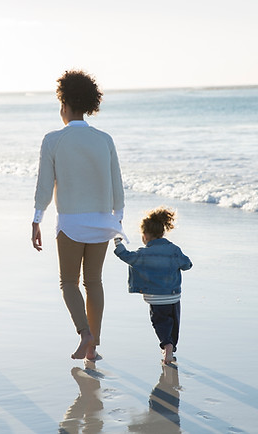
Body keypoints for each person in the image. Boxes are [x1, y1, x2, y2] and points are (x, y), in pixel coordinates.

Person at [32, 70, 125, 361]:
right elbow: (117, 183)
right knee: (94, 282)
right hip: (102, 222)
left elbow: (45, 185)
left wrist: (37, 218)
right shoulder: (104, 139)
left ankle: (84, 333)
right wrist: (117, 219)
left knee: (69, 283)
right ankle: (93, 348)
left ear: (65, 104)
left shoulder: (53, 139)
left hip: (71, 222)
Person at [113, 207, 192, 363]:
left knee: (160, 322)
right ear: (162, 232)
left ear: (146, 235)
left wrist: (117, 241)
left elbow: (126, 256)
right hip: (173, 296)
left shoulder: (142, 254)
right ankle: (171, 346)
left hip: (155, 298)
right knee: (174, 322)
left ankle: (166, 346)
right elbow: (187, 265)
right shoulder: (174, 250)